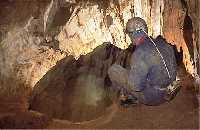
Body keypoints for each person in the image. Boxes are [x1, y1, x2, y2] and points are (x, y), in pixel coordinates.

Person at [108, 17, 180, 106]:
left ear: (133, 34)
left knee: (114, 70)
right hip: (170, 90)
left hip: (154, 97)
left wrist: (133, 76)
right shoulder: (164, 44)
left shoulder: (140, 53)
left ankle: (127, 98)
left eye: (130, 34)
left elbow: (136, 86)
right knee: (140, 70)